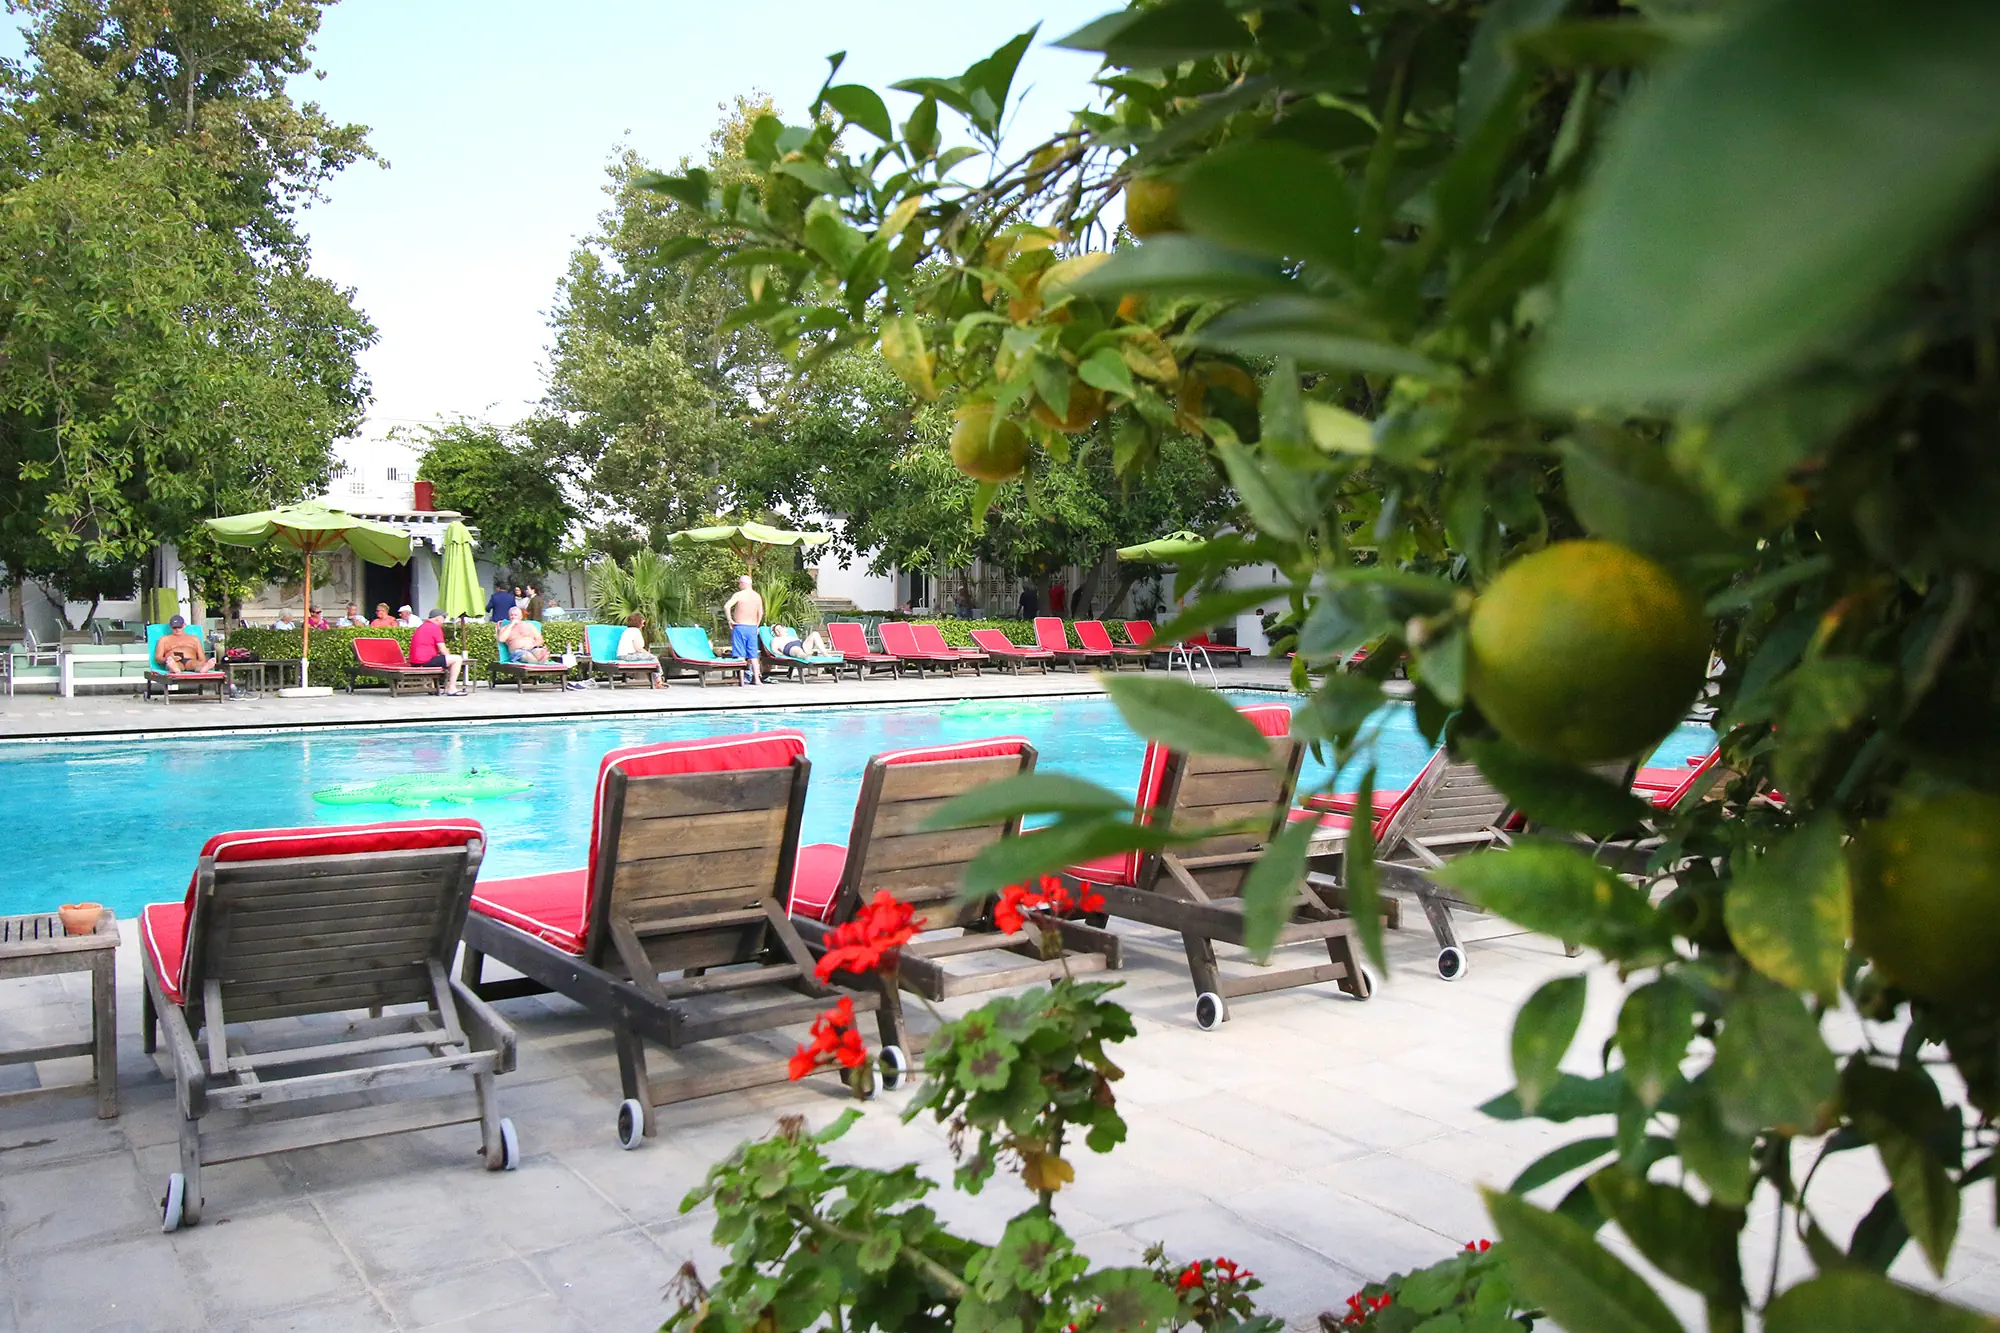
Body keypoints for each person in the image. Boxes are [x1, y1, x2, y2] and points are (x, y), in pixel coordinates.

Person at [408, 608, 466, 695]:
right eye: (443, 618)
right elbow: (442, 649)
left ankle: (439, 687)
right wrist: (449, 658)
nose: (444, 621)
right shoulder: (435, 628)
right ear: (437, 618)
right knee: (457, 659)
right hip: (424, 661)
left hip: (415, 661)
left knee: (444, 660)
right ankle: (452, 688)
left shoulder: (422, 627)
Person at [723, 574, 764, 684]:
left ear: (743, 583)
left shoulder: (739, 595)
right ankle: (757, 679)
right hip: (752, 628)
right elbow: (760, 612)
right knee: (753, 655)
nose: (739, 585)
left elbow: (726, 606)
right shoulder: (757, 596)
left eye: (739, 583)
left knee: (740, 655)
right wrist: (756, 625)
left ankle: (741, 680)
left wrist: (730, 620)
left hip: (740, 627)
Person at [615, 611, 665, 689]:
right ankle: (658, 680)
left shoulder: (627, 630)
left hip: (621, 655)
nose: (643, 625)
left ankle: (656, 680)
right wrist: (648, 654)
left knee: (650, 658)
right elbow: (638, 648)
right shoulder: (635, 631)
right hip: (628, 655)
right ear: (638, 622)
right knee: (654, 658)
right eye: (642, 623)